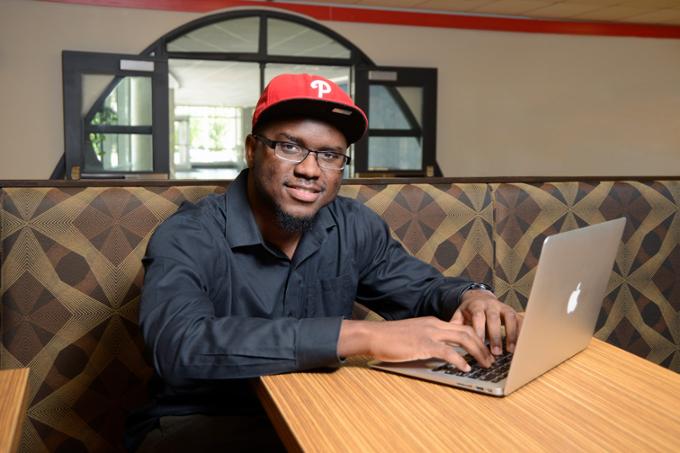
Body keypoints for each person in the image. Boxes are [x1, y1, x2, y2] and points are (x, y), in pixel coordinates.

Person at [126, 73, 521, 451]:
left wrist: (472, 296)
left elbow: (420, 290)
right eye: (290, 146)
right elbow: (179, 345)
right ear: (251, 149)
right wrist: (361, 336)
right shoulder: (188, 234)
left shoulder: (354, 225)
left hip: (321, 407)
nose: (310, 170)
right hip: (200, 423)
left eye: (330, 155)